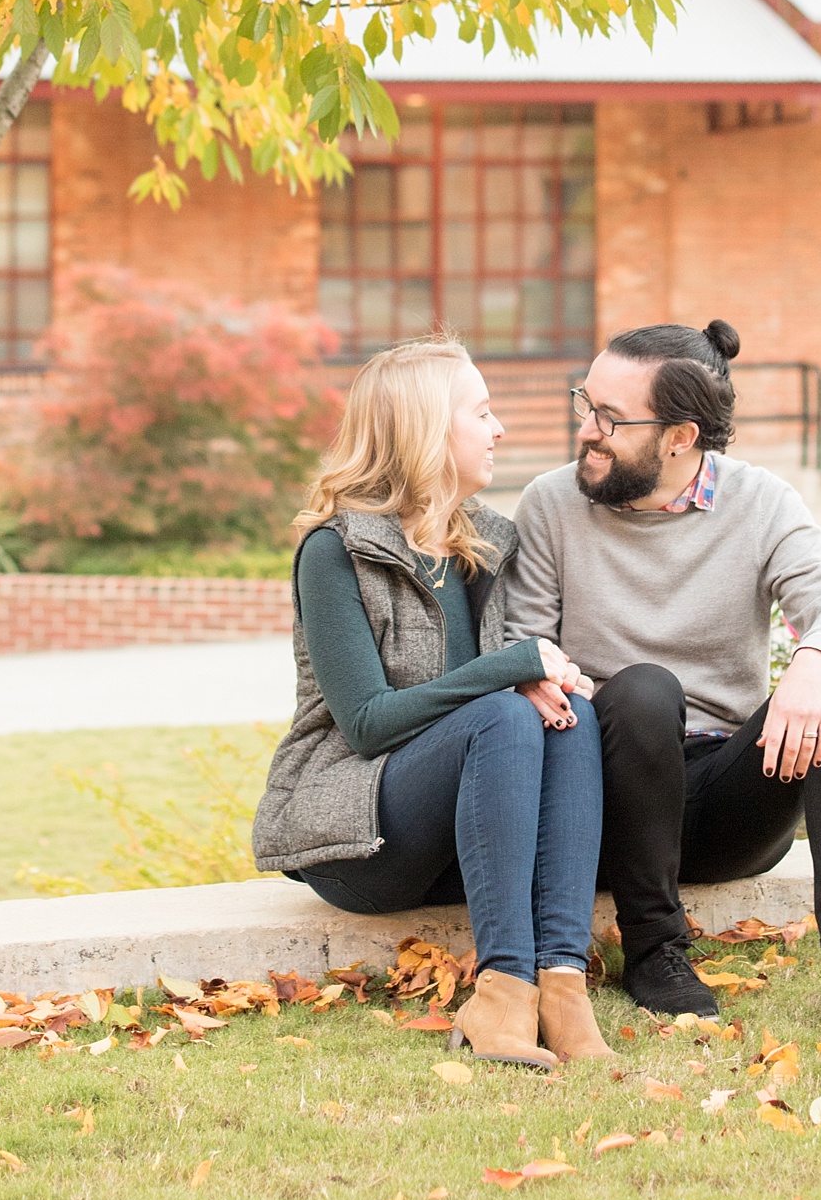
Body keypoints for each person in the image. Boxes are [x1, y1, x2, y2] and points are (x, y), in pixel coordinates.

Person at [508, 319, 821, 1054]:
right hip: (612, 791)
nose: (587, 429)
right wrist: (535, 675)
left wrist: (813, 663)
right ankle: (653, 950)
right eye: (586, 403)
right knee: (644, 689)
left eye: (610, 418)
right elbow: (521, 645)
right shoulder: (552, 504)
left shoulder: (762, 502)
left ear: (680, 437)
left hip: (728, 802)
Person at [252, 335, 611, 1069]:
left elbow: (513, 698)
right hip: (360, 834)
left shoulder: (486, 546)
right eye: (481, 411)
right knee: (510, 707)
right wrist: (509, 668)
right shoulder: (335, 552)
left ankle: (564, 987)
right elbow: (367, 721)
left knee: (568, 711)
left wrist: (533, 677)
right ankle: (504, 992)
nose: (499, 427)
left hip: (466, 833)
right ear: (425, 429)